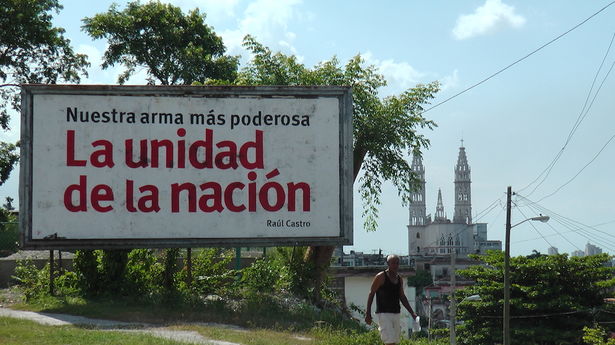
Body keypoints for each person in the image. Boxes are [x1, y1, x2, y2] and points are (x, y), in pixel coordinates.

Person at [365, 254, 418, 345]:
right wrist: (368, 313)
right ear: (388, 264)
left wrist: (412, 313)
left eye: (397, 263)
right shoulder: (381, 277)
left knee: (395, 341)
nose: (395, 265)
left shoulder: (399, 279)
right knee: (389, 341)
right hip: (384, 313)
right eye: (393, 263)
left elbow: (402, 297)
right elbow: (371, 293)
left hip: (396, 313)